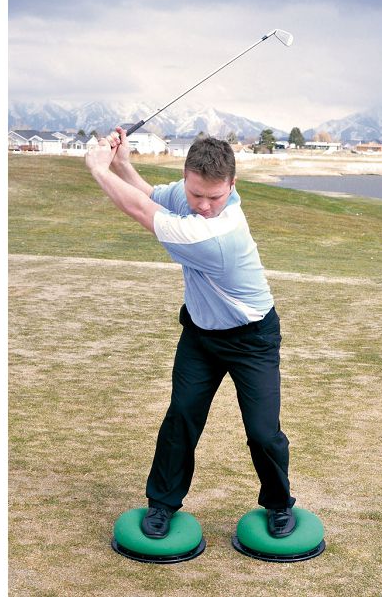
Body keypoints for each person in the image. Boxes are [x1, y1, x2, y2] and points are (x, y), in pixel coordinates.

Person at [84, 127, 296, 540]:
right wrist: (123, 164)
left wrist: (99, 169)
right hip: (200, 334)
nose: (203, 206)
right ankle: (162, 503)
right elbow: (152, 196)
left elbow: (141, 211)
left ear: (232, 185)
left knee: (262, 432)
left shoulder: (218, 235)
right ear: (186, 178)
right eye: (196, 194)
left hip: (252, 339)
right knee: (181, 417)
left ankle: (278, 503)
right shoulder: (188, 197)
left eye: (215, 197)